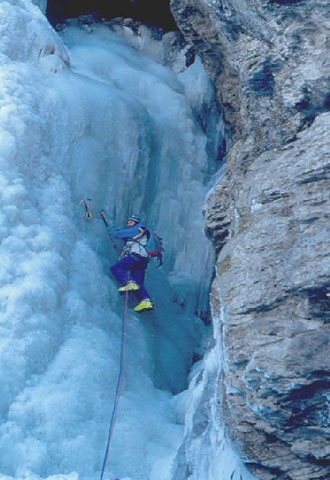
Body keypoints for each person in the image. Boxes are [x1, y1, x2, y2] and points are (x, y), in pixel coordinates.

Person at [109, 214, 153, 312]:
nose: (128, 224)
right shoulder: (140, 233)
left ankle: (129, 282)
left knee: (116, 268)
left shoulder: (139, 228)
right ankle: (145, 300)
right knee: (138, 282)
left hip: (136, 255)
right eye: (128, 222)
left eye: (131, 222)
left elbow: (118, 234)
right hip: (143, 260)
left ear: (136, 222)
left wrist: (113, 231)